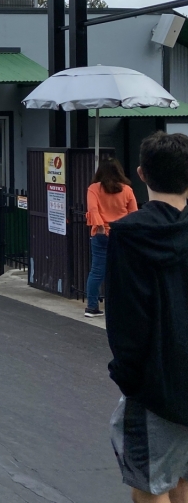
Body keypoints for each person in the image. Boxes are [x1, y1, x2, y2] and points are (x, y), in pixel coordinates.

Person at [105, 132, 188, 501]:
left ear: (140, 173)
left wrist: (128, 377)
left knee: (148, 487)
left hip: (155, 382)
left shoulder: (129, 234)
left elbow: (126, 317)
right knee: (182, 480)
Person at [84, 158, 137, 318]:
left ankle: (92, 307)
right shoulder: (127, 190)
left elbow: (93, 209)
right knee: (121, 271)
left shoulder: (94, 189)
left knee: (97, 271)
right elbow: (133, 213)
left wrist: (100, 226)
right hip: (121, 234)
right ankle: (120, 306)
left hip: (101, 234)